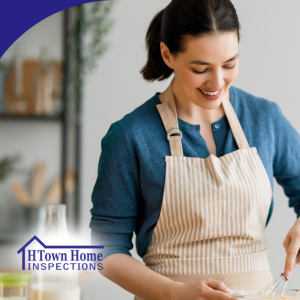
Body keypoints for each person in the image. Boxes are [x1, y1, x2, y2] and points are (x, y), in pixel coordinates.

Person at [89, 0, 300, 299]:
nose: (217, 82)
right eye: (201, 68)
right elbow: (104, 251)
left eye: (229, 64)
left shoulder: (265, 119)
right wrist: (177, 292)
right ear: (167, 55)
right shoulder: (129, 137)